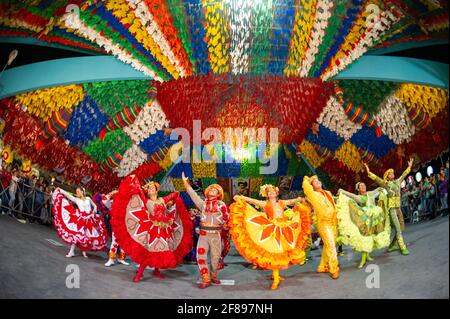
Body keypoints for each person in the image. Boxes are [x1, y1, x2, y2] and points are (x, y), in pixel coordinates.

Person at [110, 175, 192, 283]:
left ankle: (157, 271)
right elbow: (139, 192)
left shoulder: (163, 200)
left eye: (153, 188)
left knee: (161, 250)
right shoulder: (146, 201)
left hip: (164, 229)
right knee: (149, 252)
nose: (151, 189)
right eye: (149, 188)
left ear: (157, 190)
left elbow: (174, 194)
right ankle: (139, 273)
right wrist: (135, 180)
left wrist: (178, 194)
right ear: (148, 192)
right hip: (153, 229)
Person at [230, 184, 311, 289]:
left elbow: (293, 201)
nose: (271, 193)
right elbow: (252, 200)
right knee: (275, 252)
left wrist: (300, 198)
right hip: (272, 229)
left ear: (276, 193)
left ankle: (275, 274)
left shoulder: (282, 202)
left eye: (273, 191)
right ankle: (276, 278)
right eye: (269, 192)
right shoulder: (265, 203)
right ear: (267, 195)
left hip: (284, 228)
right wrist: (241, 197)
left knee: (282, 250)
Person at [182, 172, 229, 289]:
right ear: (208, 191)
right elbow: (193, 195)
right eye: (211, 189)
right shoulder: (202, 204)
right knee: (201, 256)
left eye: (215, 190)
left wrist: (226, 225)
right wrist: (186, 183)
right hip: (203, 235)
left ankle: (213, 275)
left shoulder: (221, 205)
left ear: (219, 193)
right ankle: (205, 278)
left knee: (215, 258)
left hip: (215, 235)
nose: (213, 191)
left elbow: (227, 218)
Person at [364, 157, 413, 255]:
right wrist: (368, 172)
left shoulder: (397, 182)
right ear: (387, 176)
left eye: (392, 172)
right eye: (390, 173)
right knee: (398, 229)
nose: (392, 174)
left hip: (398, 208)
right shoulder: (386, 184)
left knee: (401, 228)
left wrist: (409, 167)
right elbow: (377, 179)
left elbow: (404, 175)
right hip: (392, 210)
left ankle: (392, 246)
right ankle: (402, 247)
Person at [336, 183, 391, 268]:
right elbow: (351, 195)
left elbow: (376, 190)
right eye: (361, 186)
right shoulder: (359, 198)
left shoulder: (369, 193)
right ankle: (363, 260)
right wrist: (343, 191)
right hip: (366, 221)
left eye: (364, 185)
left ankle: (367, 256)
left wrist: (381, 187)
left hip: (374, 219)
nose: (363, 187)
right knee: (366, 238)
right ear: (358, 189)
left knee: (371, 236)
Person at [52, 186, 108, 258]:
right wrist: (61, 190)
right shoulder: (76, 199)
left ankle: (83, 250)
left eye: (78, 191)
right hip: (81, 219)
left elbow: (95, 206)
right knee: (77, 235)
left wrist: (93, 212)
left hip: (90, 219)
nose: (77, 193)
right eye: (76, 192)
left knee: (87, 235)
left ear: (82, 192)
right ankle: (71, 252)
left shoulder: (88, 198)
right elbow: (69, 195)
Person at [302, 175, 339, 279]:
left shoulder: (328, 193)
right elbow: (305, 185)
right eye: (315, 182)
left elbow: (333, 206)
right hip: (323, 223)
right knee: (331, 244)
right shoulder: (312, 194)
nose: (317, 182)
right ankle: (334, 268)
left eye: (318, 180)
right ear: (312, 185)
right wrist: (308, 179)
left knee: (328, 245)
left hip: (333, 222)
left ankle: (323, 266)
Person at [96, 190, 130, 267]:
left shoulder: (126, 204)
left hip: (125, 226)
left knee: (123, 243)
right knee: (115, 242)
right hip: (116, 226)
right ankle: (111, 259)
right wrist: (112, 193)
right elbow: (104, 200)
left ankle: (121, 259)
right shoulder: (112, 203)